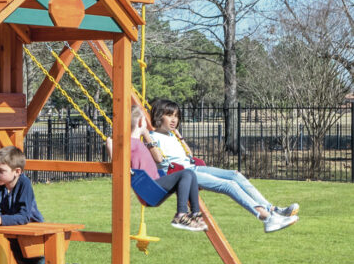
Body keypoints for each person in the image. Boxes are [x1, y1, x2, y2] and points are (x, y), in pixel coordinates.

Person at [148, 99, 299, 233]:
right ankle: (266, 217)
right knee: (229, 185)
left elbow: (188, 154)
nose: (174, 120)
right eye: (169, 115)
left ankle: (272, 209)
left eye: (176, 116)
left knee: (235, 175)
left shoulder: (172, 135)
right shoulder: (153, 137)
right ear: (158, 116)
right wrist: (147, 135)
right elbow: (159, 160)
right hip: (183, 173)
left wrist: (178, 135)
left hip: (192, 168)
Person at [0, 146, 85, 264]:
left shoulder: (24, 185)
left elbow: (23, 217)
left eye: (1, 171)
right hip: (13, 234)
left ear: (17, 172)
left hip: (33, 236)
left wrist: (1, 219)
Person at [107, 105, 207, 231]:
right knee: (186, 174)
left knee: (190, 174)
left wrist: (146, 134)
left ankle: (195, 214)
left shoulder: (138, 142)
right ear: (140, 122)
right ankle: (181, 214)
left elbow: (157, 158)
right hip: (149, 190)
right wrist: (110, 147)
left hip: (154, 186)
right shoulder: (129, 143)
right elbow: (119, 165)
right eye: (144, 119)